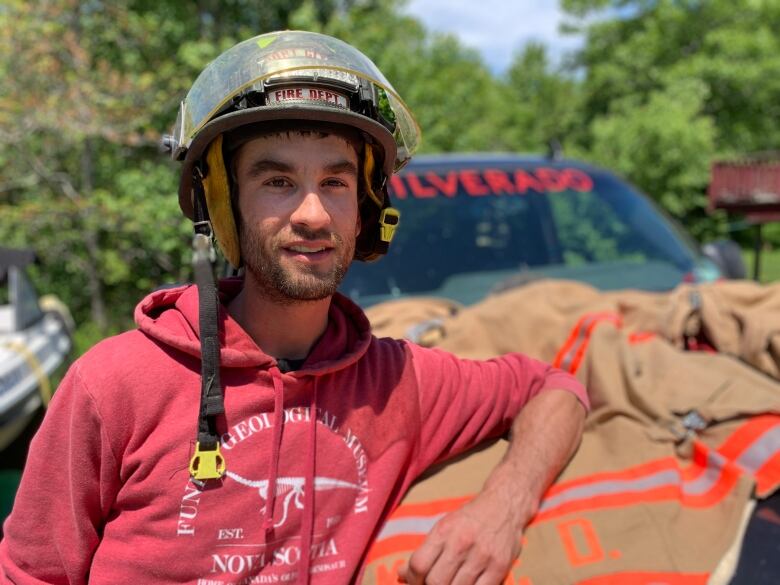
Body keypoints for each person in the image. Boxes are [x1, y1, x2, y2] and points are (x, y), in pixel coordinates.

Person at [0, 31, 587, 584]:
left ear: (366, 206)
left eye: (335, 182)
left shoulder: (396, 385)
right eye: (277, 181)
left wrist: (501, 511)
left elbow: (554, 391)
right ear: (222, 205)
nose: (313, 214)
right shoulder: (114, 386)